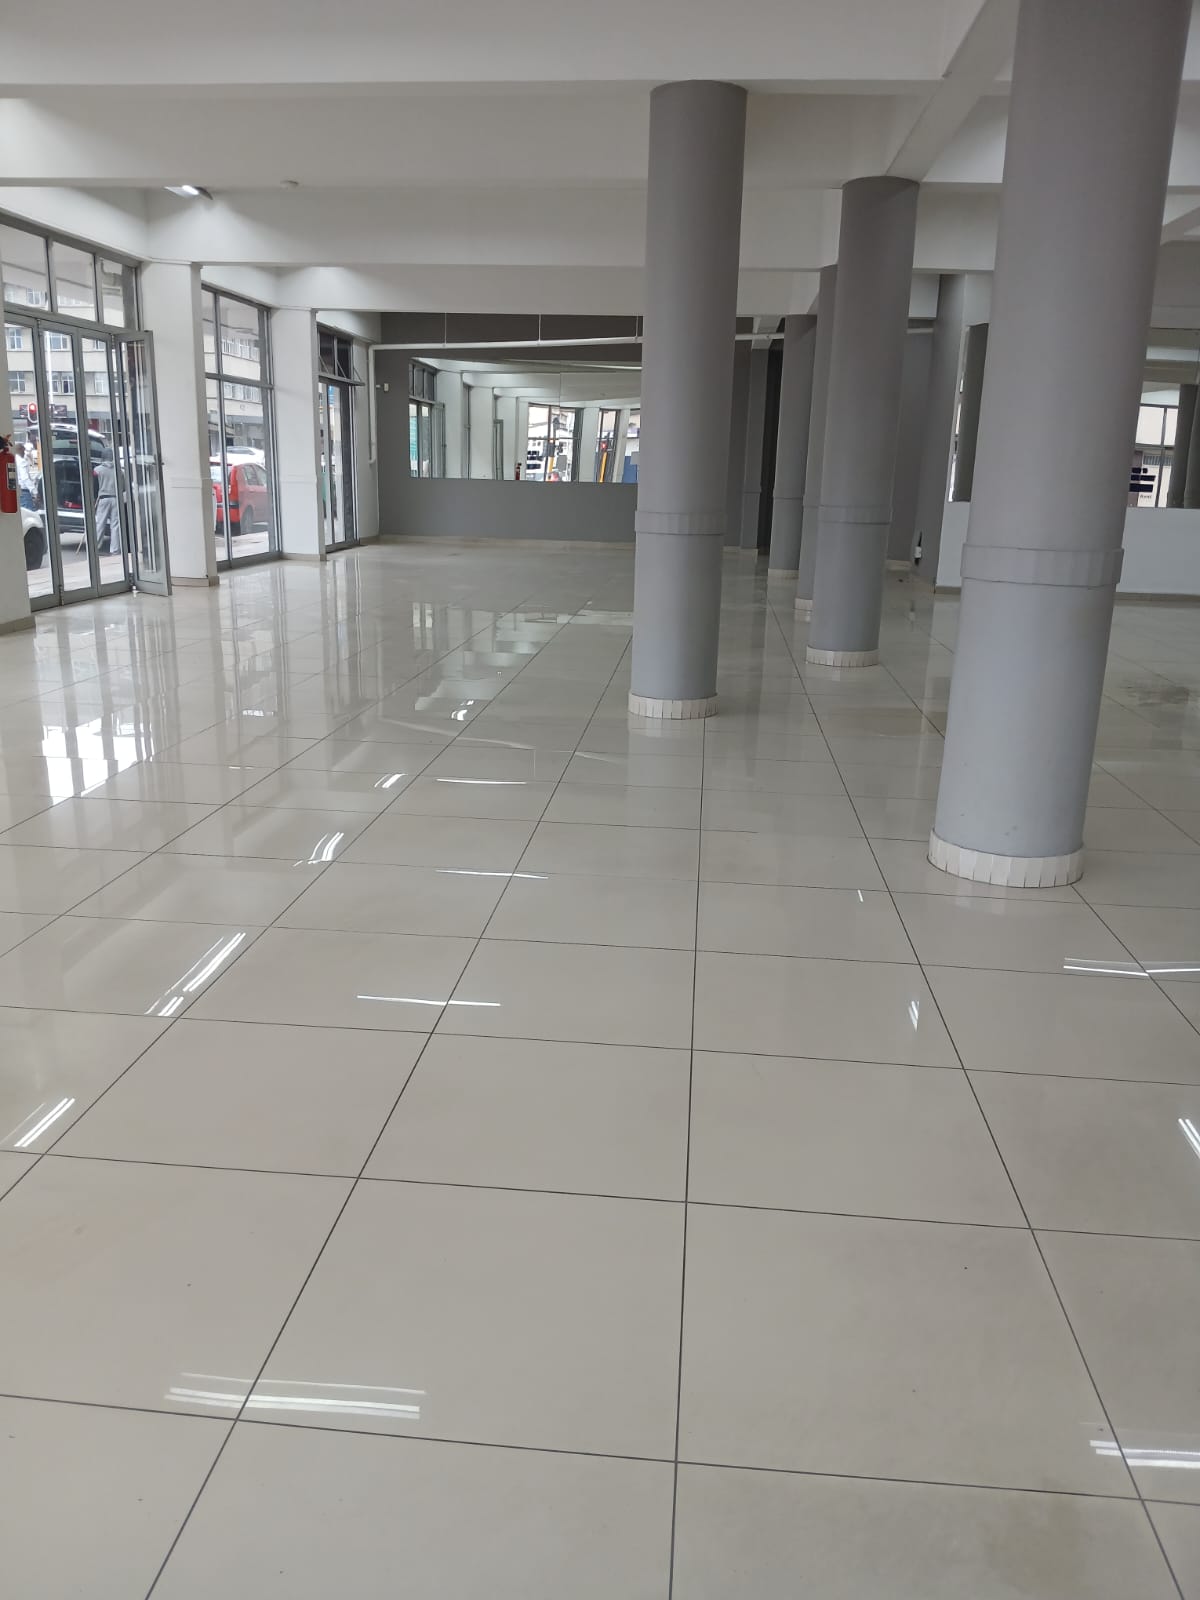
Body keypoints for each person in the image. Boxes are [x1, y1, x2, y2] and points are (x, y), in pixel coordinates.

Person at [93, 455, 120, 554]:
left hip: (103, 498)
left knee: (100, 523)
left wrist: (94, 497)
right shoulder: (118, 470)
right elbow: (123, 485)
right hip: (115, 498)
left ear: (102, 458)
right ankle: (115, 550)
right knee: (115, 525)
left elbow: (94, 485)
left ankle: (96, 547)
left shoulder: (97, 470)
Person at [16, 440, 40, 511]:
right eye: (23, 450)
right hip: (24, 492)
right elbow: (25, 478)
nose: (24, 452)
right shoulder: (21, 461)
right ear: (19, 450)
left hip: (18, 491)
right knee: (29, 513)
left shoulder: (14, 460)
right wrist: (35, 491)